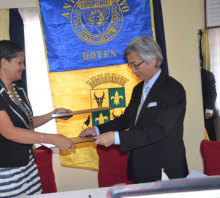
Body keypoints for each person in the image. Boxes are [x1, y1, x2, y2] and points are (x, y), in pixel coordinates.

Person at [79, 36, 189, 184]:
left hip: (165, 168)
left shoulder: (173, 89)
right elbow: (126, 119)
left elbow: (158, 130)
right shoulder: (138, 89)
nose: (132, 70)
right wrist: (98, 129)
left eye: (135, 65)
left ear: (153, 61)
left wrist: (116, 138)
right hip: (140, 167)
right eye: (130, 65)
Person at [0, 40, 76, 197]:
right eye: (19, 62)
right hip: (3, 171)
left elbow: (27, 123)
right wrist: (52, 138)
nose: (23, 67)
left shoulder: (18, 90)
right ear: (4, 63)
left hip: (26, 164)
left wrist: (53, 114)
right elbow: (9, 132)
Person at [200, 65, 217, 141]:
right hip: (198, 112)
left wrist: (209, 110)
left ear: (200, 61)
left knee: (210, 137)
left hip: (207, 113)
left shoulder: (207, 74)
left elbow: (212, 93)